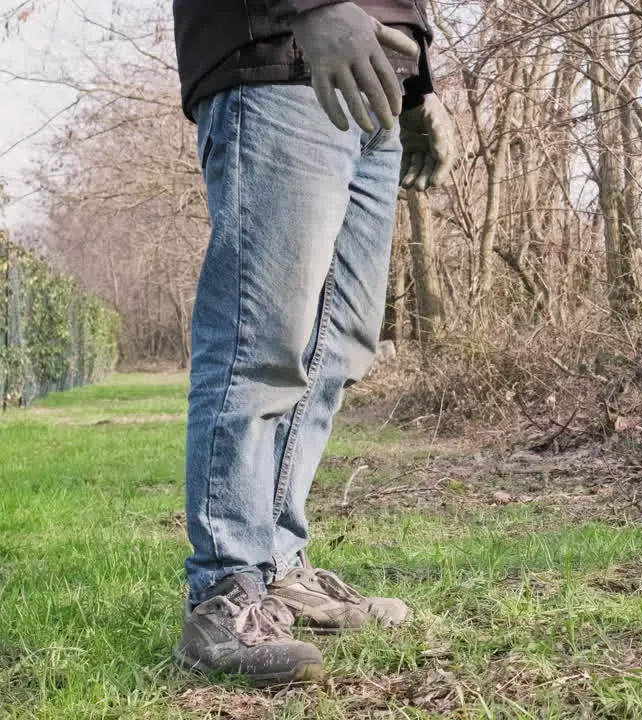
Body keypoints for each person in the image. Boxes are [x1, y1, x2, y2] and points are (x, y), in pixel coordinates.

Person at [170, 0, 455, 685]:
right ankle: (225, 589)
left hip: (375, 80)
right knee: (260, 340)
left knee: (340, 343)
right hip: (277, 59)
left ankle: (279, 568)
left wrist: (419, 87)